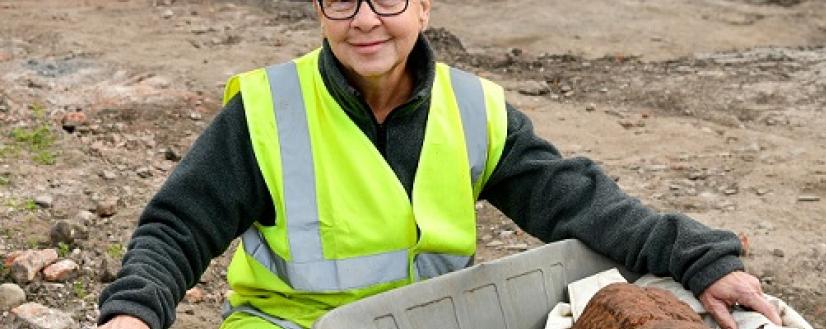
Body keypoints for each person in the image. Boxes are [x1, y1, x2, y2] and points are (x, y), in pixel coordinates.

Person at [98, 0, 782, 328]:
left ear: (423, 7)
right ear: (319, 9)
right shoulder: (265, 110)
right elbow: (175, 228)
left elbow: (577, 198)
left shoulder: (474, 109)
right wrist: (132, 312)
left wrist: (699, 256)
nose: (366, 20)